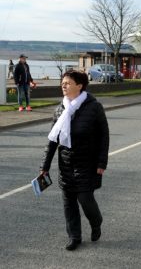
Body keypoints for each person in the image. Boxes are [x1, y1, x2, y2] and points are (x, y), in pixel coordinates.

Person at [40, 70, 109, 251]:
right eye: (63, 82)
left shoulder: (94, 107)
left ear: (80, 86)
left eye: (68, 83)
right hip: (66, 165)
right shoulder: (59, 110)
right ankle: (74, 236)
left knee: (85, 199)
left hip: (88, 163)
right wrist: (44, 166)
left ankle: (96, 222)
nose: (64, 85)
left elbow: (104, 137)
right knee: (68, 202)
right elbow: (52, 140)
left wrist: (102, 163)